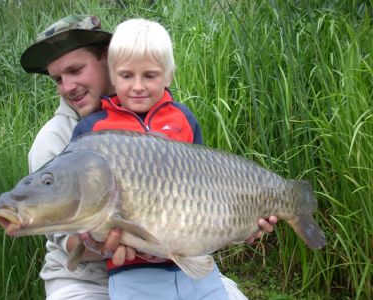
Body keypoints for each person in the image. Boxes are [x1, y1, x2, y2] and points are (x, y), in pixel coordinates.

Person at [21, 15, 277, 300]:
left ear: (107, 61)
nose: (67, 87)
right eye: (57, 79)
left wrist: (241, 223)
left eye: (76, 70)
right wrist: (101, 242)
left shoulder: (168, 114)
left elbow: (204, 193)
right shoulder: (53, 140)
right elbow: (64, 238)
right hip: (84, 279)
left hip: (175, 268)